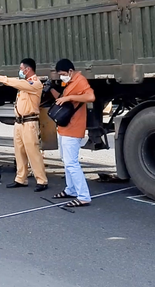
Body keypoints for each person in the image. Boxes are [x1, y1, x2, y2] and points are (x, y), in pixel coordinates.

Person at [0, 58, 48, 192]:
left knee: (33, 152)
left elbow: (16, 83)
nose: (20, 71)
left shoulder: (34, 83)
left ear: (28, 69)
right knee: (19, 151)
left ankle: (41, 180)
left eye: (21, 69)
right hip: (19, 122)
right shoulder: (25, 83)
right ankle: (21, 178)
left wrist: (0, 78)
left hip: (29, 122)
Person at [49, 59, 95, 207]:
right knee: (66, 160)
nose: (61, 77)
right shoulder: (69, 82)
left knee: (71, 163)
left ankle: (83, 196)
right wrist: (50, 89)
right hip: (64, 127)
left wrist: (69, 97)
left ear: (70, 71)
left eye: (62, 74)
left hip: (74, 128)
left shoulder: (79, 80)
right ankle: (71, 190)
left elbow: (90, 97)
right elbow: (61, 101)